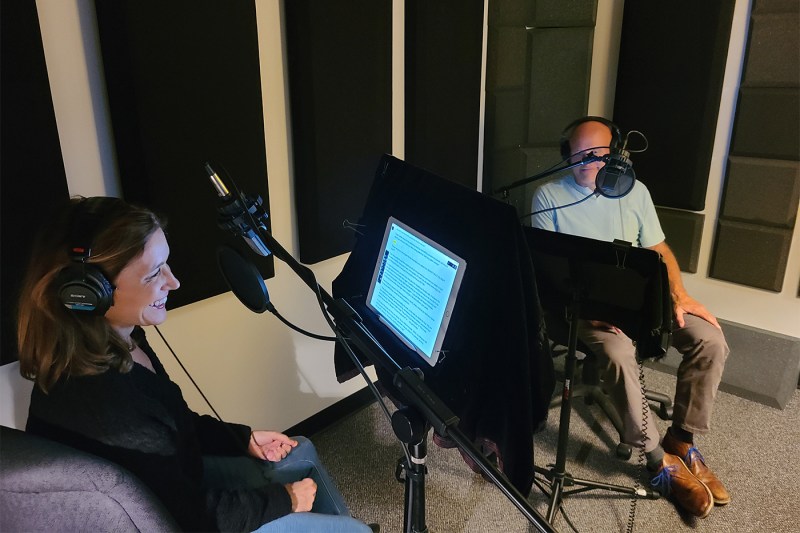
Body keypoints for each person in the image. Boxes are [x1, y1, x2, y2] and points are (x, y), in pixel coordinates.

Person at [17, 196, 375, 533]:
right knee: (351, 530)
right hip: (181, 519)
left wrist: (243, 439)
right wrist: (287, 500)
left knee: (302, 451)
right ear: (88, 292)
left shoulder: (121, 339)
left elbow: (174, 423)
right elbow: (191, 517)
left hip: (178, 484)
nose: (173, 282)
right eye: (153, 273)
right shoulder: (106, 406)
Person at [531, 117, 730, 518]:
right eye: (578, 153)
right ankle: (659, 462)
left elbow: (659, 250)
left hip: (640, 304)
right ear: (565, 153)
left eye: (597, 154)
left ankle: (681, 437)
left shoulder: (634, 192)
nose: (586, 161)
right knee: (620, 353)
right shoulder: (547, 196)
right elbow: (547, 273)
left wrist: (681, 295)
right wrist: (596, 310)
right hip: (581, 309)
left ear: (616, 156)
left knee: (709, 340)